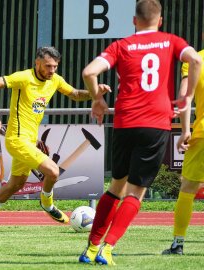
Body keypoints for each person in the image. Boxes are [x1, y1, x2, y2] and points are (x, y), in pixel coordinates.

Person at [78, 0, 202, 265]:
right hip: (155, 123)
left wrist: (97, 100)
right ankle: (108, 249)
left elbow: (89, 71)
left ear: (134, 21)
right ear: (160, 21)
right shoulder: (170, 41)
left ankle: (90, 248)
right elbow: (195, 60)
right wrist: (188, 96)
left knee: (115, 186)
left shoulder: (121, 45)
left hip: (124, 123)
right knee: (136, 192)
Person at [0, 46, 111, 230]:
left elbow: (75, 94)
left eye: (55, 66)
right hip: (16, 139)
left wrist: (95, 92)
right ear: (37, 63)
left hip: (29, 141)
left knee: (16, 184)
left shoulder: (54, 80)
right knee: (53, 171)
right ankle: (47, 204)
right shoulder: (24, 77)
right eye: (48, 66)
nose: (52, 70)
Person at [162, 49, 204, 255]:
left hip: (203, 132)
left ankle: (178, 243)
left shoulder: (195, 59)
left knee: (188, 189)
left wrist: (185, 129)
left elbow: (184, 97)